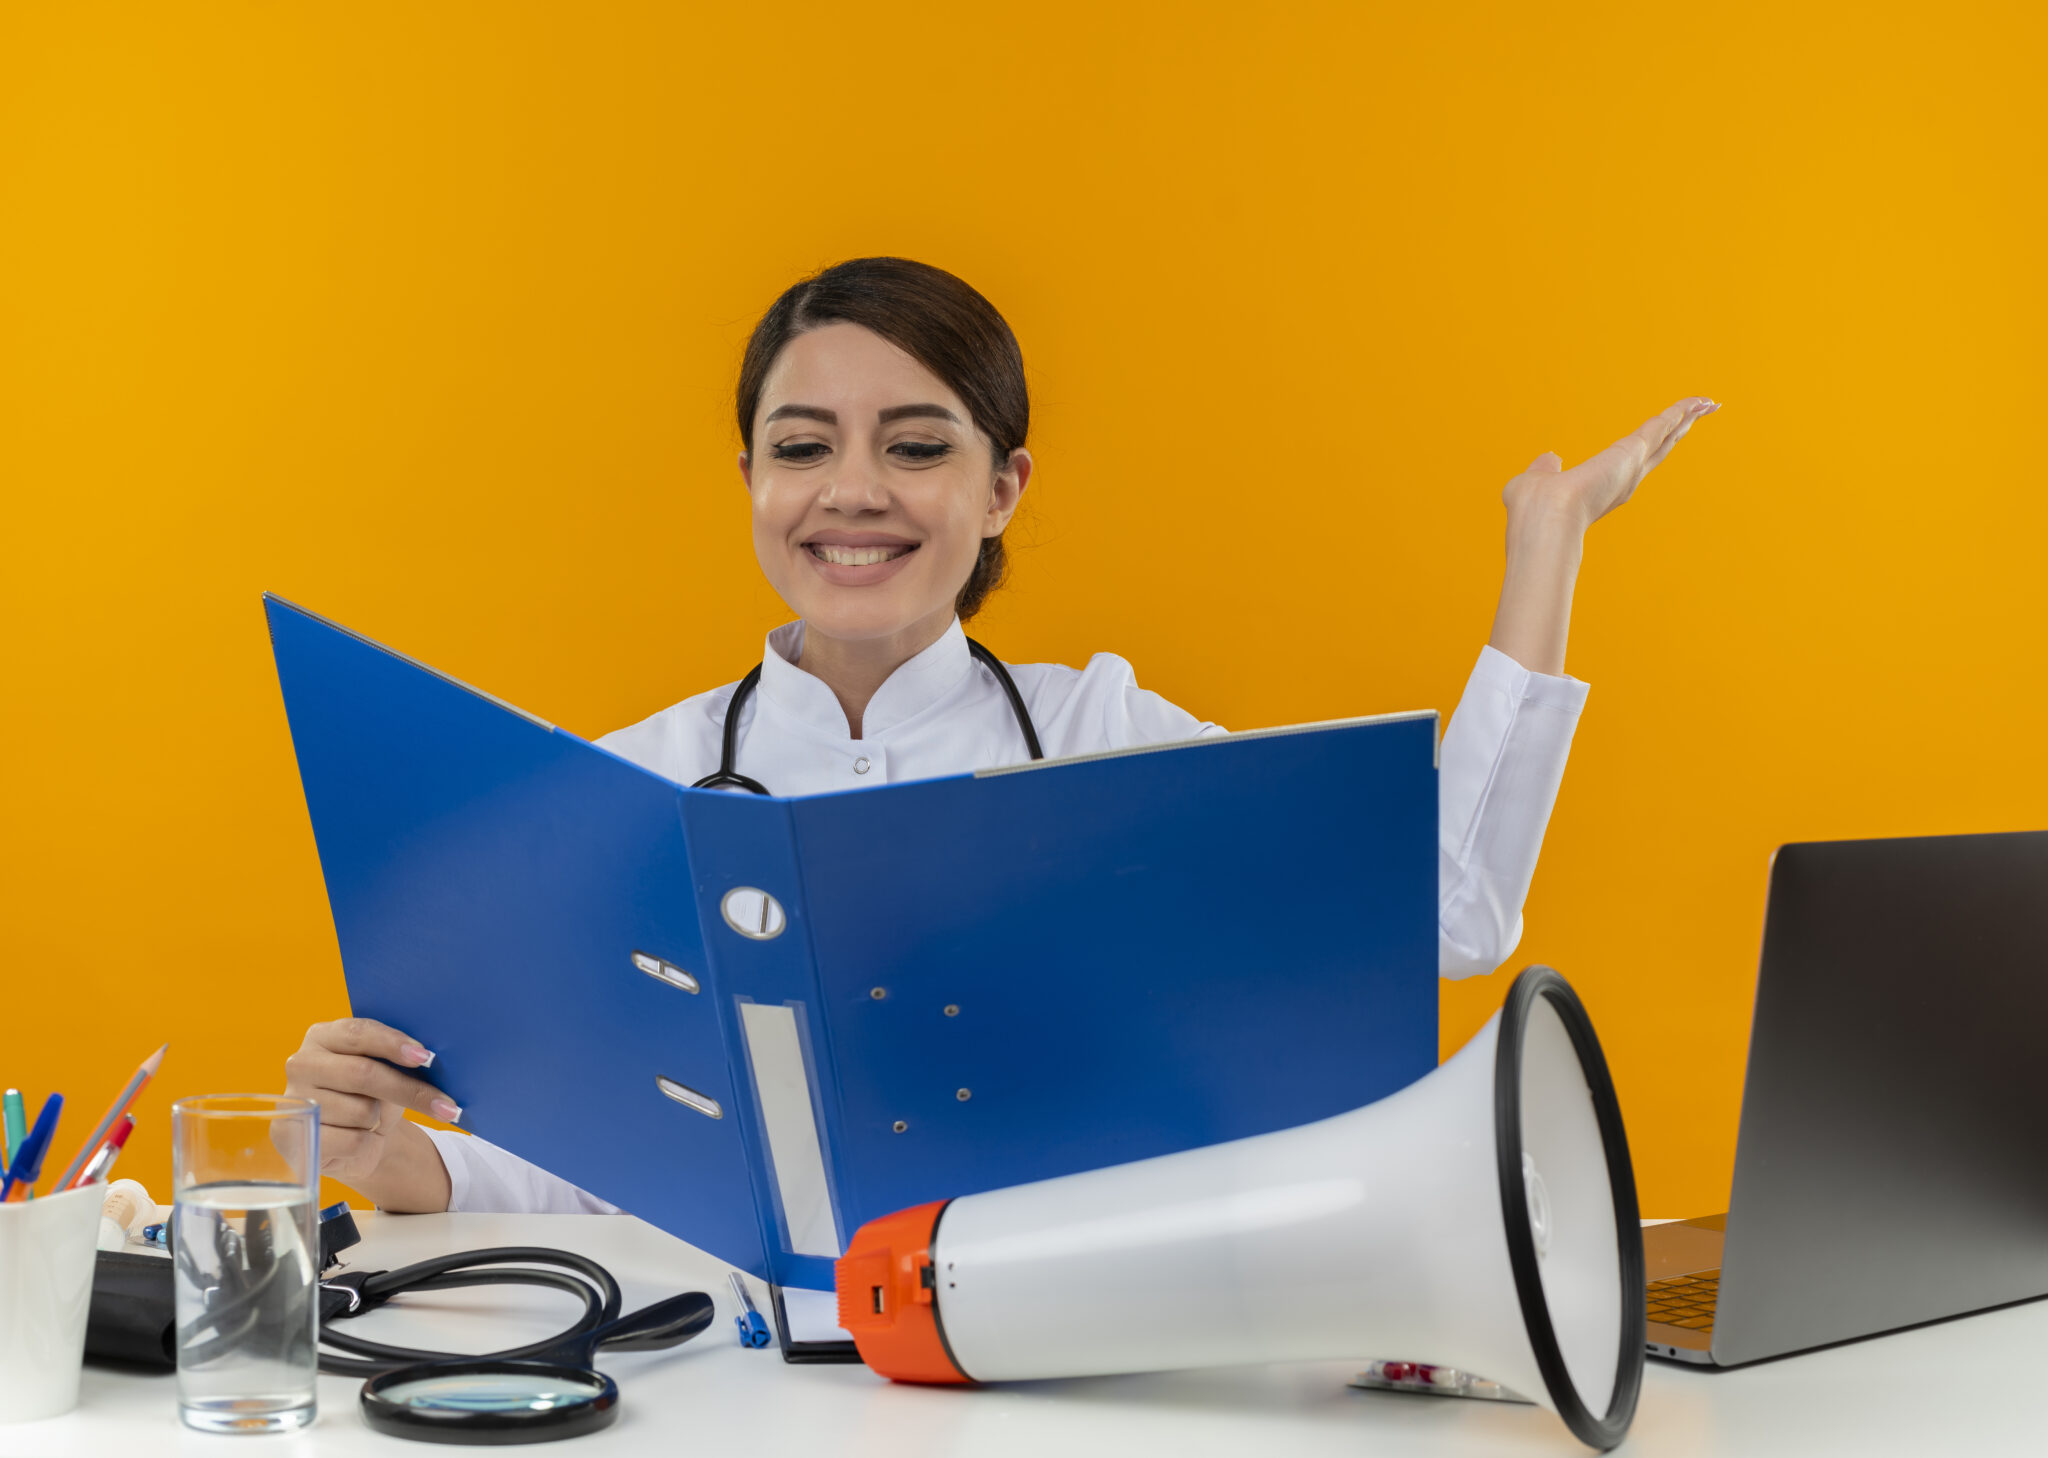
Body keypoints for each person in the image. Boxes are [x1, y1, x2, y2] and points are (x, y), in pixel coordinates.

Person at [283, 256, 1716, 1215]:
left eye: (918, 444)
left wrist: (1549, 549)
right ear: (748, 480)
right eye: (801, 446)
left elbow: (1447, 913)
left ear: (1005, 485)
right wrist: (405, 1161)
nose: (854, 492)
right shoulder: (623, 784)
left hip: (1059, 1371)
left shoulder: (1104, 730)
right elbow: (605, 1171)